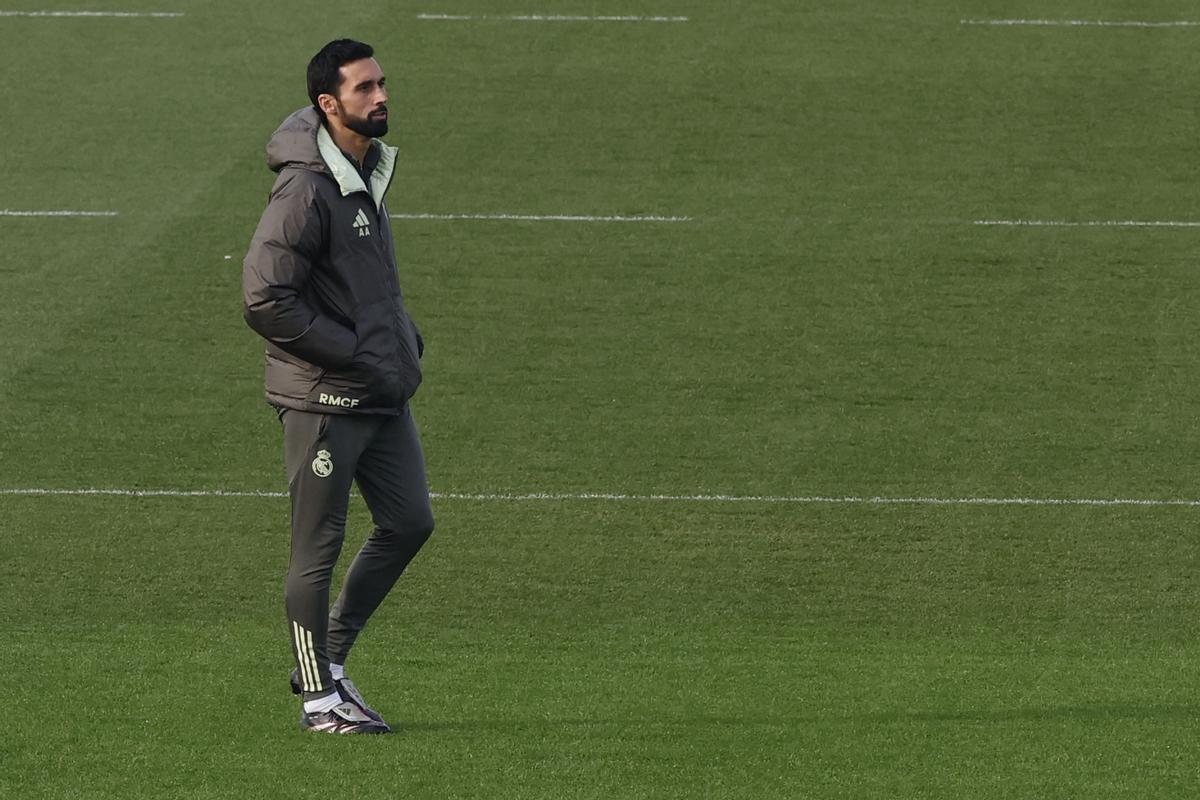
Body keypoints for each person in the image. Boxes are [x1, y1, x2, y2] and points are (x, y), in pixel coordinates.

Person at [242, 39, 434, 735]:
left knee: (410, 521)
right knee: (315, 550)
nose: (381, 96)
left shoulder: (364, 167)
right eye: (365, 89)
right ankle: (319, 702)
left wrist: (401, 340)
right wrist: (353, 351)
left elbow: (363, 279)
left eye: (383, 83)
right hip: (324, 400)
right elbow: (264, 297)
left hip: (380, 390)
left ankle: (329, 658)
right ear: (330, 104)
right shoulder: (305, 187)